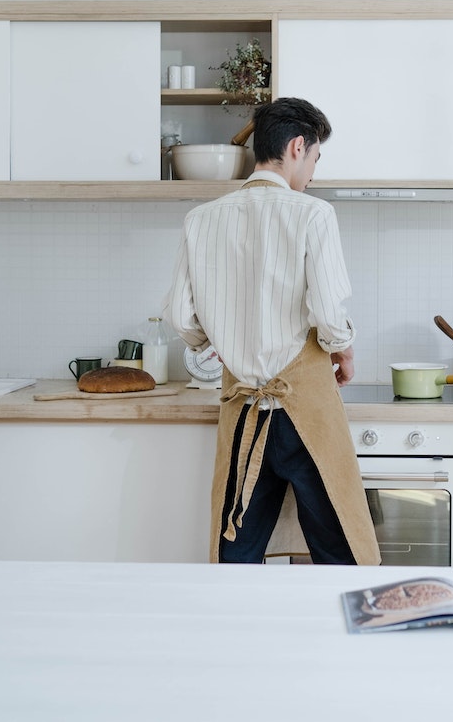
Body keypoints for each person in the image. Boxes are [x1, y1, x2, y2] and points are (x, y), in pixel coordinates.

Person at [163, 97, 380, 566]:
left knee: (236, 549)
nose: (314, 174)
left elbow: (180, 315)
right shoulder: (312, 214)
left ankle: (237, 637)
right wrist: (343, 351)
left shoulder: (201, 219)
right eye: (316, 159)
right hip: (307, 416)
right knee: (339, 548)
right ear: (298, 147)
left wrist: (213, 342)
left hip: (242, 411)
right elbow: (326, 311)